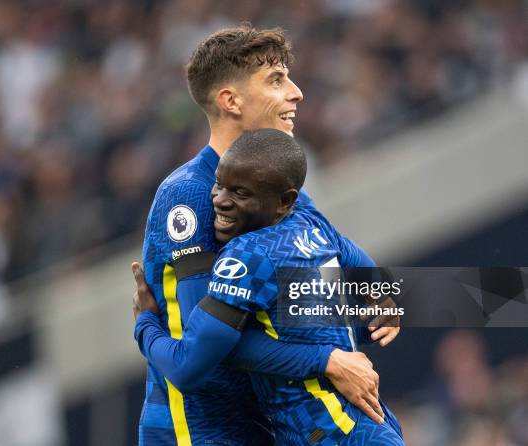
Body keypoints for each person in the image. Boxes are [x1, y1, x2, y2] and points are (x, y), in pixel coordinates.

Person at [137, 24, 395, 445]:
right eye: (277, 80)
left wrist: (377, 299)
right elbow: (205, 347)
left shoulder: (278, 190)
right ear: (231, 100)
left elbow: (324, 285)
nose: (296, 93)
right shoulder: (187, 196)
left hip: (268, 422)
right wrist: (326, 359)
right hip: (200, 429)